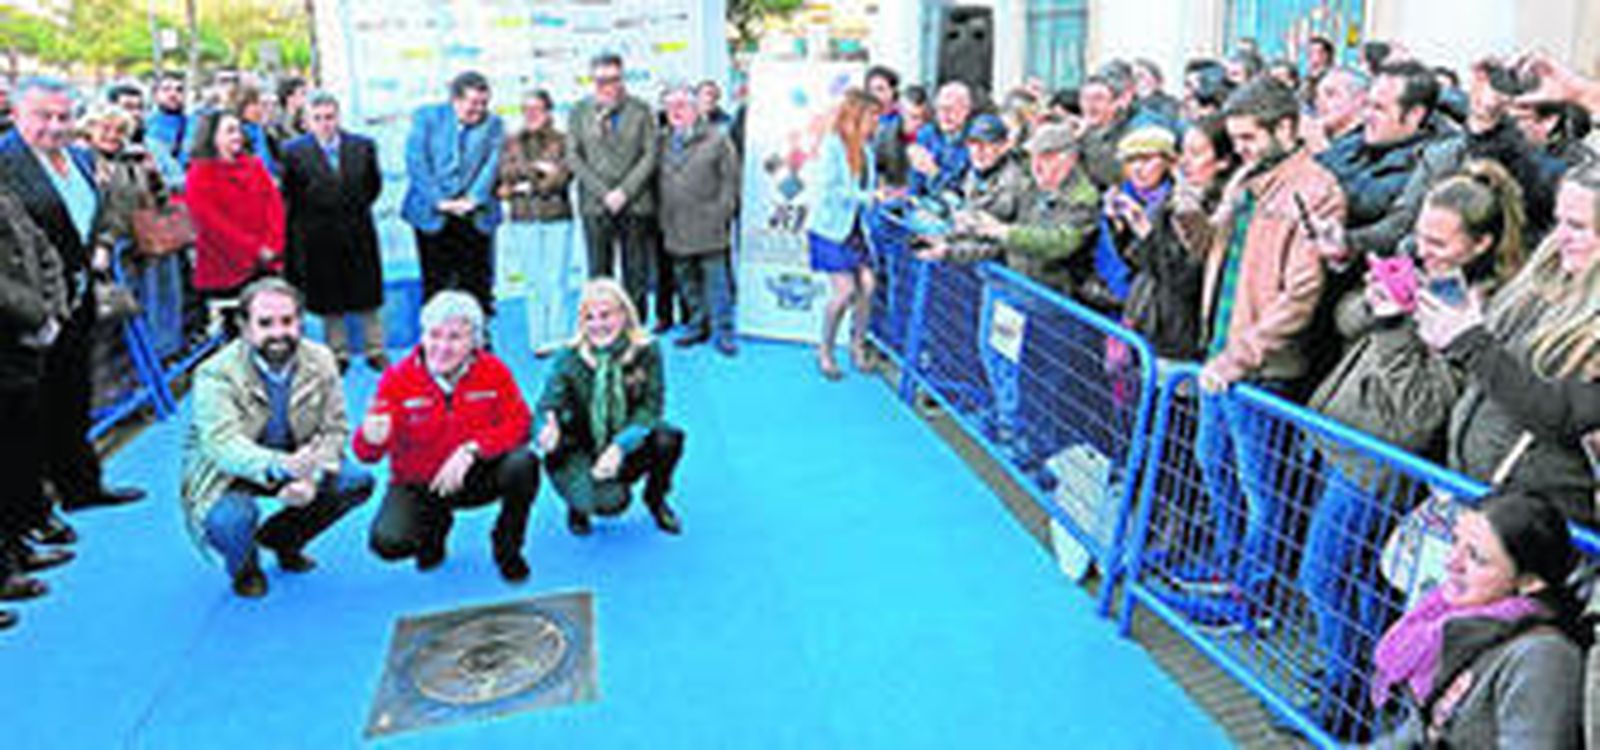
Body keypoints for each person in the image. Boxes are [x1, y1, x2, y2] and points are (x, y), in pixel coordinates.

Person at [1301, 161, 1526, 739]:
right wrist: (1377, 294)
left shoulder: (1483, 312)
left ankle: (1351, 694)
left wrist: (1397, 325)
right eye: (1420, 235)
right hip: (1345, 438)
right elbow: (1350, 321)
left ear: (1481, 244)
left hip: (1379, 461)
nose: (1422, 250)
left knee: (1325, 575)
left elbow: (1419, 413)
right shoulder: (1426, 271)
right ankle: (1350, 682)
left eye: (1437, 242)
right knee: (1347, 579)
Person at [1162, 78, 1345, 630]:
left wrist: (1240, 356)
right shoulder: (1247, 177)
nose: (1237, 147)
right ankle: (1228, 569)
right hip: (1218, 353)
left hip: (1259, 369)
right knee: (1214, 468)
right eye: (1235, 137)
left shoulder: (1315, 188)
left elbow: (1301, 295)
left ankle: (1254, 599)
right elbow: (1207, 248)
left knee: (1260, 490)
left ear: (1286, 128)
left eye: (1247, 136)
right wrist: (1189, 211)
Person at [0, 77, 147, 549]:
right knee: (30, 415)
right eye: (44, 116)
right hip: (28, 310)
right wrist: (37, 307)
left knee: (73, 392)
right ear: (18, 114)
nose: (55, 126)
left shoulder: (80, 158)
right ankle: (32, 515)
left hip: (79, 295)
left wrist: (103, 243)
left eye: (64, 116)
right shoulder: (5, 163)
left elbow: (103, 213)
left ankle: (81, 486)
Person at [1415, 166, 1600, 526]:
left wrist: (1471, 341)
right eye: (1559, 220)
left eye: (1577, 226)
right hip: (1474, 489)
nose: (1561, 236)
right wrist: (1446, 335)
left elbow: (1557, 414)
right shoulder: (1542, 278)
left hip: (1535, 522)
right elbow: (1491, 372)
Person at [181, 277, 374, 598]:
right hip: (229, 472)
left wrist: (311, 478)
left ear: (300, 321)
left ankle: (285, 538)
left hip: (299, 462)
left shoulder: (322, 359)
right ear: (244, 326)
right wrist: (281, 467)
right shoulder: (214, 373)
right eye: (265, 323)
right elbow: (221, 444)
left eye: (288, 321)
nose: (278, 333)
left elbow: (335, 428)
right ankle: (244, 566)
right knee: (230, 521)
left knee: (355, 481)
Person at [1369, 490, 1586, 749]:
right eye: (1454, 542)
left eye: (1477, 558)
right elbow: (1418, 731)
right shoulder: (1458, 621)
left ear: (1529, 582)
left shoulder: (1543, 658)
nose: (1452, 562)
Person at [359, 291, 538, 582]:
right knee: (388, 543)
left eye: (455, 337)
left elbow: (520, 423)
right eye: (434, 335)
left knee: (524, 464)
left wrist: (473, 449)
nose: (442, 347)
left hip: (476, 474)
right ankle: (435, 527)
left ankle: (507, 546)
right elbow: (367, 453)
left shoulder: (494, 371)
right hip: (421, 483)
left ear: (474, 342)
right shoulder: (397, 379)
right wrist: (371, 439)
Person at [537, 279, 684, 537]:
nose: (598, 325)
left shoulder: (647, 350)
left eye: (606, 315)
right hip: (583, 443)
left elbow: (651, 407)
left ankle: (656, 498)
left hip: (626, 435)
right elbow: (546, 405)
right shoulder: (569, 356)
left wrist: (619, 446)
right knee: (611, 503)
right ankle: (577, 504)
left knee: (669, 438)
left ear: (624, 314)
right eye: (589, 318)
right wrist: (546, 426)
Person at [0, 184, 75, 631]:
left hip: (20, 349)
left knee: (16, 452)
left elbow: (41, 246)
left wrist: (53, 308)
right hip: (12, 332)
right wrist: (38, 315)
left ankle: (14, 547)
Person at [279, 91, 386, 374]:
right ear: (307, 121)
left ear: (338, 117)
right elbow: (290, 193)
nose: (325, 124)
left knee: (368, 294)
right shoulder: (292, 152)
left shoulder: (363, 147)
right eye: (318, 118)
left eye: (330, 117)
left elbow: (373, 186)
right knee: (329, 298)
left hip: (357, 227)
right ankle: (337, 353)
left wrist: (352, 208)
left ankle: (375, 349)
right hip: (318, 234)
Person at [1121, 115, 1236, 364]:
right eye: (1182, 152)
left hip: (1182, 337)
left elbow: (1185, 280)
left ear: (1223, 161)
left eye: (1196, 153)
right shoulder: (1175, 197)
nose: (1185, 162)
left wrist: (1149, 236)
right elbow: (1139, 263)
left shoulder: (1219, 211)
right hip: (1152, 323)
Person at [401, 71, 505, 318]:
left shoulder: (494, 124)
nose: (479, 110)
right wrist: (440, 201)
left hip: (474, 215)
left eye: (484, 103)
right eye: (473, 103)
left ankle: (480, 343)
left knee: (477, 286)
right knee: (436, 285)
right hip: (432, 215)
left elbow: (492, 165)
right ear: (455, 100)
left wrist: (473, 199)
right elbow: (416, 162)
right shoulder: (426, 118)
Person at [567, 53, 660, 321]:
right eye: (601, 80)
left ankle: (636, 329)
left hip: (636, 203)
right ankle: (600, 328)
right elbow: (574, 157)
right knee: (599, 272)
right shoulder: (579, 112)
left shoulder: (642, 110)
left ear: (623, 78)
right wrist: (605, 193)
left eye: (614, 79)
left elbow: (650, 155)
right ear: (592, 80)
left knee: (636, 272)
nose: (608, 86)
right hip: (595, 205)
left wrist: (624, 192)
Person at [656, 84, 740, 356]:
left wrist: (723, 213)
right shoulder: (661, 140)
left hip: (710, 225)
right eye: (669, 107)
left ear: (695, 108)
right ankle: (696, 326)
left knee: (717, 283)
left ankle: (723, 332)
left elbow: (731, 182)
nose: (675, 112)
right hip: (675, 224)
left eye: (681, 105)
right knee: (686, 281)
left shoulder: (718, 139)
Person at [806, 88, 881, 380]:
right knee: (845, 291)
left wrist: (878, 196)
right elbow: (831, 190)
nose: (876, 122)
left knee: (868, 285)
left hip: (856, 230)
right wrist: (869, 196)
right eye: (873, 115)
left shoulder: (867, 150)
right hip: (830, 229)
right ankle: (825, 349)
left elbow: (865, 190)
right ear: (857, 115)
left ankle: (857, 345)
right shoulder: (833, 145)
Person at [186, 110, 285, 329]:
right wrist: (254, 249)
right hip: (225, 266)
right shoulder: (199, 173)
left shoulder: (255, 165)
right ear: (213, 137)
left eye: (238, 131)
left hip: (266, 263)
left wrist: (273, 244)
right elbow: (211, 223)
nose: (237, 136)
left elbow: (274, 207)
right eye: (230, 131)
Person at [496, 88, 577, 353]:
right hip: (523, 219)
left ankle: (560, 337)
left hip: (557, 217)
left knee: (557, 279)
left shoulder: (564, 140)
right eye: (526, 110)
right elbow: (504, 175)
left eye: (537, 109)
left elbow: (563, 176)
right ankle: (539, 339)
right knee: (533, 280)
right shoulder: (510, 141)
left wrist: (525, 183)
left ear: (549, 111)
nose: (531, 115)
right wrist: (539, 171)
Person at [907, 81, 972, 197]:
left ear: (965, 111)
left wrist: (934, 173)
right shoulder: (927, 134)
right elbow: (915, 182)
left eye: (951, 109)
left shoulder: (974, 140)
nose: (945, 115)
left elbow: (961, 191)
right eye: (941, 109)